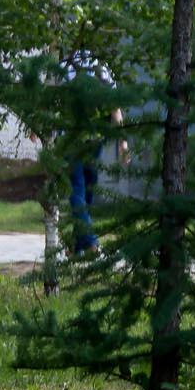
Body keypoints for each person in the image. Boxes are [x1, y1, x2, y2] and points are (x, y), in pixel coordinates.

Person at [60, 49, 127, 254]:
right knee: (85, 189)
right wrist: (122, 142)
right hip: (94, 138)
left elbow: (51, 100)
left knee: (78, 190)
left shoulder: (64, 67)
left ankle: (88, 242)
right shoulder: (101, 68)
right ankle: (78, 245)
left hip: (72, 139)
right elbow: (114, 106)